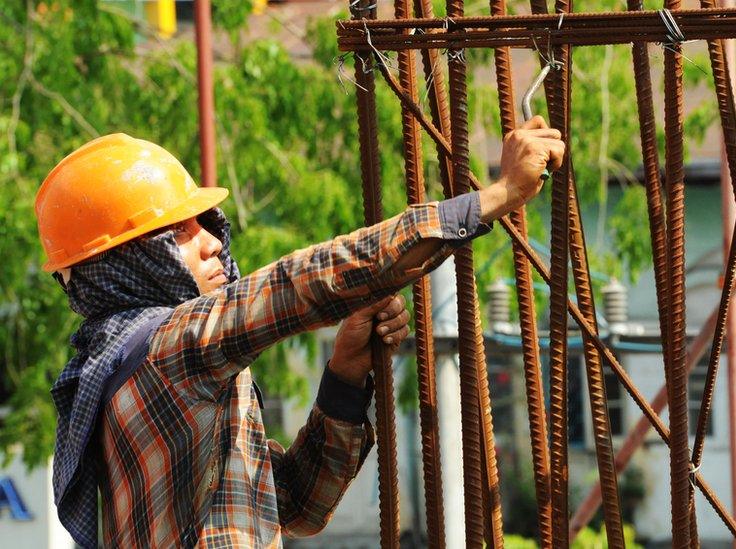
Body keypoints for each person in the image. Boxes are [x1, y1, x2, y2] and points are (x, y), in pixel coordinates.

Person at [33, 117, 564, 548]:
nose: (213, 244)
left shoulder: (151, 366)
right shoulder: (165, 351)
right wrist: (499, 195)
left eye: (203, 225)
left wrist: (345, 378)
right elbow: (303, 283)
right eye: (179, 234)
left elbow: (294, 505)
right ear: (129, 261)